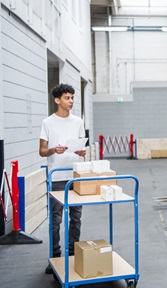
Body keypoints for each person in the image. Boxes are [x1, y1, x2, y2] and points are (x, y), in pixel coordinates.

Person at [39, 83, 86, 274]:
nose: (71, 101)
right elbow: (42, 151)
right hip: (56, 176)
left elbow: (81, 146)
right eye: (67, 98)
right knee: (56, 219)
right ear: (57, 100)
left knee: (76, 218)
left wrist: (82, 151)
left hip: (75, 175)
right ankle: (55, 256)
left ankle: (74, 255)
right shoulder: (47, 123)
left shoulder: (78, 122)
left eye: (73, 97)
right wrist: (53, 150)